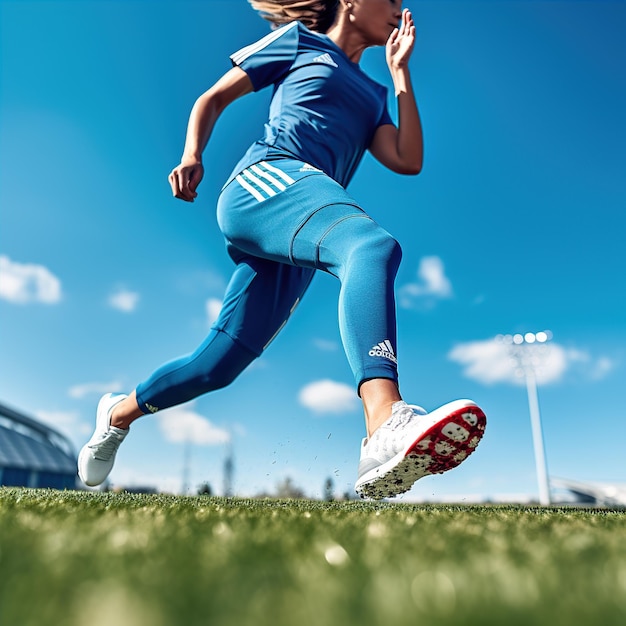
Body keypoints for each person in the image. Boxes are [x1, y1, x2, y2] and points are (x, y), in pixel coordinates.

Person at [78, 0, 486, 499]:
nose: (401, 10)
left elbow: (407, 159)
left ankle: (117, 414)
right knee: (371, 247)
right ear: (351, 2)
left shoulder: (376, 94)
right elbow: (212, 98)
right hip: (267, 180)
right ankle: (384, 419)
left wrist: (400, 74)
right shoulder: (299, 41)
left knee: (218, 365)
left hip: (301, 221)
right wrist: (192, 155)